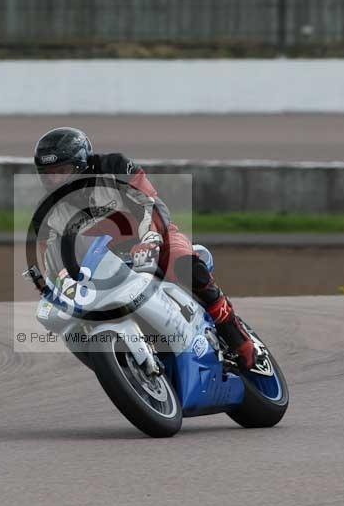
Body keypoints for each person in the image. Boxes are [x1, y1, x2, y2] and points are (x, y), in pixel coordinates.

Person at [33, 127, 255, 370]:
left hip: (151, 236)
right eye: (47, 175)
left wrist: (150, 238)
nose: (54, 180)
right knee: (74, 324)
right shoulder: (47, 214)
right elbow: (51, 258)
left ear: (81, 164)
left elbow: (150, 203)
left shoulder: (115, 166)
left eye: (62, 171)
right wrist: (59, 283)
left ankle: (237, 336)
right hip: (102, 264)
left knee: (186, 267)